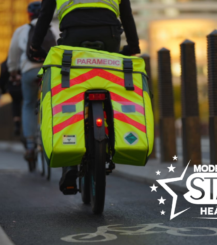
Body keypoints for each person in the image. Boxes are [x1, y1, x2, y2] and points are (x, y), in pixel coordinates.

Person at [29, 0, 141, 194]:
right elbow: (126, 14)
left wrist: (35, 46)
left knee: (69, 92)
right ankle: (113, 137)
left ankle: (70, 167)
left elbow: (45, 14)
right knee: (109, 82)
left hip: (73, 35)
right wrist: (133, 45)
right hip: (110, 35)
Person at [7, 2, 56, 162]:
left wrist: (13, 72)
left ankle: (29, 146)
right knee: (52, 104)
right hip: (50, 71)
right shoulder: (54, 28)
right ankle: (54, 139)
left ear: (29, 15)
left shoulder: (21, 30)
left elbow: (13, 55)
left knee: (28, 104)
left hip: (29, 71)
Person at [0, 59, 23, 136]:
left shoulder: (5, 63)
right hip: (24, 85)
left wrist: (3, 90)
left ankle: (17, 124)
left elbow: (3, 78)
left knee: (16, 103)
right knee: (28, 104)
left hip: (12, 87)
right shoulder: (23, 57)